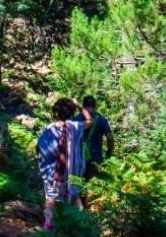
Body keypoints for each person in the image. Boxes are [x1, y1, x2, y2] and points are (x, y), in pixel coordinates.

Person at [36, 97, 92, 230]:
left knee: (50, 199)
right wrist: (78, 104)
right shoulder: (75, 127)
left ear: (55, 113)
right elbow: (90, 120)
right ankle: (79, 228)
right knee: (74, 197)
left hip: (51, 173)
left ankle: (48, 227)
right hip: (72, 173)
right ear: (72, 113)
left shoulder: (48, 129)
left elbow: (39, 148)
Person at [76, 95, 114, 180]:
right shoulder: (101, 119)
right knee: (93, 188)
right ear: (95, 105)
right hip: (96, 159)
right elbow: (110, 138)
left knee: (77, 184)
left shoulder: (76, 118)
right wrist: (109, 153)